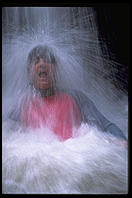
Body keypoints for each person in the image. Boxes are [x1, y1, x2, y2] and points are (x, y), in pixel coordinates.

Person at [10, 45, 128, 145]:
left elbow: (105, 126)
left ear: (56, 70)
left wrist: (122, 141)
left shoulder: (76, 97)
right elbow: (8, 135)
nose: (42, 64)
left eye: (47, 60)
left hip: (75, 160)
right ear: (29, 73)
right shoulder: (22, 106)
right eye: (36, 61)